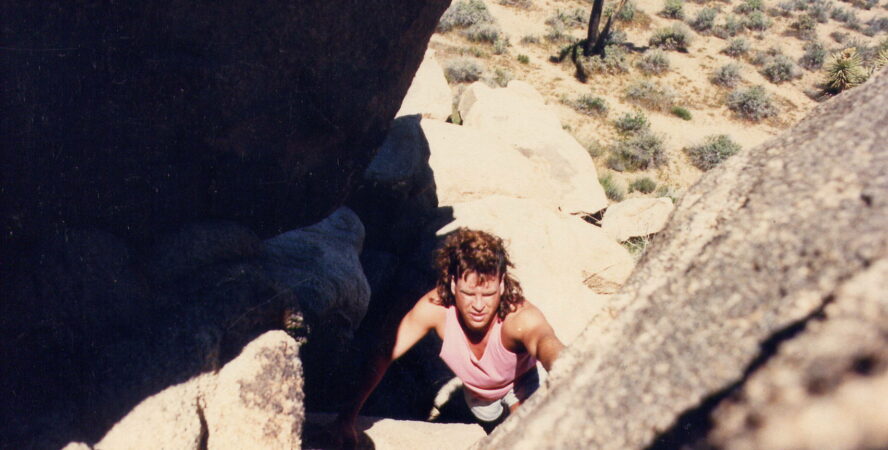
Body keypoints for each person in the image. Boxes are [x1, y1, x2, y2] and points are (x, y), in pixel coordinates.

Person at [331, 228, 565, 447]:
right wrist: (346, 418)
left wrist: (565, 366)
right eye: (468, 293)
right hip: (479, 396)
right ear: (453, 284)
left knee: (529, 438)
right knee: (487, 415)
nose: (479, 305)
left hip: (519, 385)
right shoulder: (435, 309)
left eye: (488, 293)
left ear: (502, 285)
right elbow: (384, 352)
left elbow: (547, 343)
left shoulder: (520, 318)